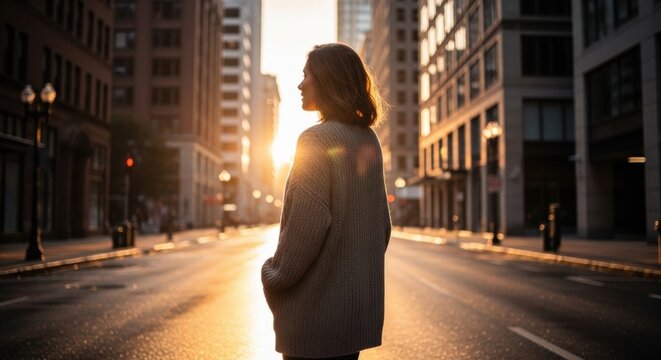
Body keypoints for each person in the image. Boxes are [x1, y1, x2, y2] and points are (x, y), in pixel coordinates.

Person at [261, 43, 392, 360]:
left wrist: (273, 275)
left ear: (328, 80)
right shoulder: (367, 138)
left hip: (313, 324)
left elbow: (305, 230)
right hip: (352, 325)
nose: (300, 84)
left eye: (306, 75)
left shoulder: (315, 139)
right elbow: (382, 228)